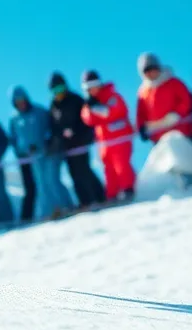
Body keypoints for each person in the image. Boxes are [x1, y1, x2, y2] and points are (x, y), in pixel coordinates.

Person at [9, 86, 72, 222]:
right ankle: (50, 211)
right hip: (34, 157)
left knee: (52, 179)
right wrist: (23, 151)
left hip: (50, 153)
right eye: (17, 101)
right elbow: (14, 140)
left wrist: (50, 142)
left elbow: (52, 128)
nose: (21, 103)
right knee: (41, 183)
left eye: (22, 99)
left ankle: (66, 206)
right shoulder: (15, 119)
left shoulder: (39, 112)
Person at [48, 72, 106, 207]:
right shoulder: (54, 106)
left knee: (84, 170)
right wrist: (59, 138)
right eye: (55, 90)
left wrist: (78, 133)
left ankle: (99, 197)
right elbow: (54, 126)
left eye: (60, 88)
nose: (59, 92)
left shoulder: (75, 100)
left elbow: (85, 121)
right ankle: (84, 202)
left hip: (80, 142)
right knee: (74, 173)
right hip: (67, 147)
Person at [80, 70, 136, 202]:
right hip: (105, 143)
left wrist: (96, 107)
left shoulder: (111, 96)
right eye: (88, 88)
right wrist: (90, 107)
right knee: (108, 169)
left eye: (94, 85)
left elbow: (112, 112)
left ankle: (128, 189)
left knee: (121, 165)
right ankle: (112, 194)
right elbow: (88, 119)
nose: (92, 90)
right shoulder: (90, 103)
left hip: (120, 138)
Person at [135, 53, 192, 144]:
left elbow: (186, 100)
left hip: (181, 134)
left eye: (152, 69)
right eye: (146, 71)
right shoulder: (143, 92)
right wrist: (141, 128)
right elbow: (141, 113)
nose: (150, 73)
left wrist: (176, 115)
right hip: (158, 139)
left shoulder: (173, 83)